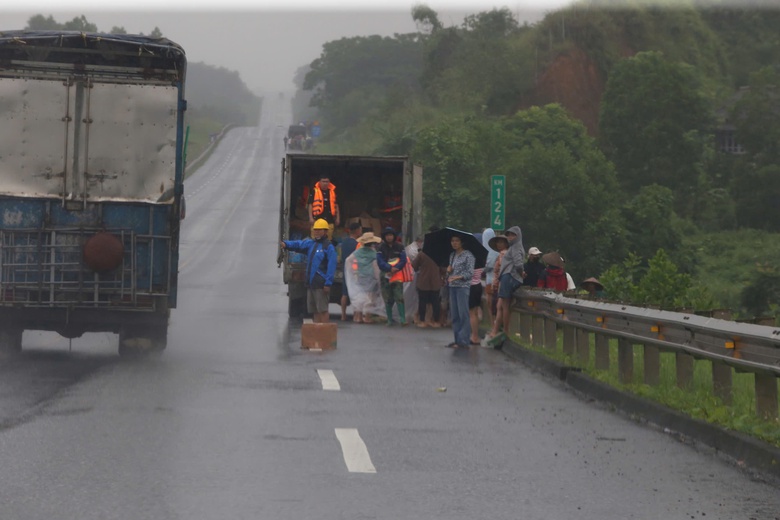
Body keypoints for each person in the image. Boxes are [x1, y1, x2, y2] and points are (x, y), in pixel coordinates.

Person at [280, 218, 337, 323]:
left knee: (322, 310)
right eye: (315, 230)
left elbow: (331, 267)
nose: (317, 232)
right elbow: (299, 244)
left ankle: (323, 333)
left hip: (321, 284)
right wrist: (286, 244)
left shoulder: (329, 247)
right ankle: (317, 333)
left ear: (325, 232)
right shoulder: (311, 244)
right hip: (311, 283)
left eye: (319, 230)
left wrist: (328, 283)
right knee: (314, 310)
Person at [485, 226, 525, 343]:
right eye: (509, 235)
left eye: (513, 235)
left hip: (509, 277)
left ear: (518, 236)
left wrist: (521, 272)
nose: (510, 237)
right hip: (507, 276)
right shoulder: (513, 247)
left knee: (504, 306)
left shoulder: (516, 248)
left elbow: (518, 264)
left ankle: (505, 331)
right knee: (501, 306)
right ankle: (498, 330)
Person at [345, 232, 382, 323]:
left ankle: (358, 317)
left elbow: (348, 260)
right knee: (370, 297)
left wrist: (352, 271)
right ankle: (367, 317)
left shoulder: (358, 252)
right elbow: (376, 266)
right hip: (370, 277)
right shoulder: (373, 253)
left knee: (360, 296)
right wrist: (378, 279)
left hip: (360, 276)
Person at [446, 235, 475, 348]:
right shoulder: (452, 255)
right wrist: (448, 271)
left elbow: (469, 273)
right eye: (452, 241)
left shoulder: (468, 255)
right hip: (452, 286)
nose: (454, 243)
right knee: (455, 314)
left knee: (463, 313)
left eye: (457, 241)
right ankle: (457, 339)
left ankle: (464, 340)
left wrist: (458, 277)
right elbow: (449, 272)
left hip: (462, 287)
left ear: (462, 242)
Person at [376, 227, 407, 326]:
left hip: (397, 275)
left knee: (399, 296)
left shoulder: (400, 247)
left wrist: (396, 268)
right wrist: (389, 268)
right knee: (387, 297)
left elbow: (403, 260)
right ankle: (389, 319)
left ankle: (403, 319)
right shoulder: (380, 247)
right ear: (384, 237)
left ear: (394, 236)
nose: (389, 237)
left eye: (391, 235)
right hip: (385, 275)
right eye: (387, 235)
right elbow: (380, 261)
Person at [411, 249, 442, 328]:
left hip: (423, 281)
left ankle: (422, 321)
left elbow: (414, 265)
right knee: (436, 302)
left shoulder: (422, 254)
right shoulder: (439, 254)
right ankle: (436, 321)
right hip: (436, 282)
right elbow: (444, 269)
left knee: (422, 302)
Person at [339, 222, 362, 321]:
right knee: (356, 293)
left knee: (345, 293)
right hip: (355, 271)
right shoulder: (357, 244)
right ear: (357, 231)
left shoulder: (343, 243)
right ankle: (355, 314)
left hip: (345, 269)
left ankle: (343, 315)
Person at [307, 175, 340, 240]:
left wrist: (338, 218)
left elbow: (336, 205)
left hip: (329, 220)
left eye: (327, 182)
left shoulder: (332, 192)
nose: (325, 183)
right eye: (323, 181)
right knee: (315, 239)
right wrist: (310, 218)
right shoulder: (314, 191)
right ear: (320, 182)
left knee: (328, 240)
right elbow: (310, 205)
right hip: (317, 220)